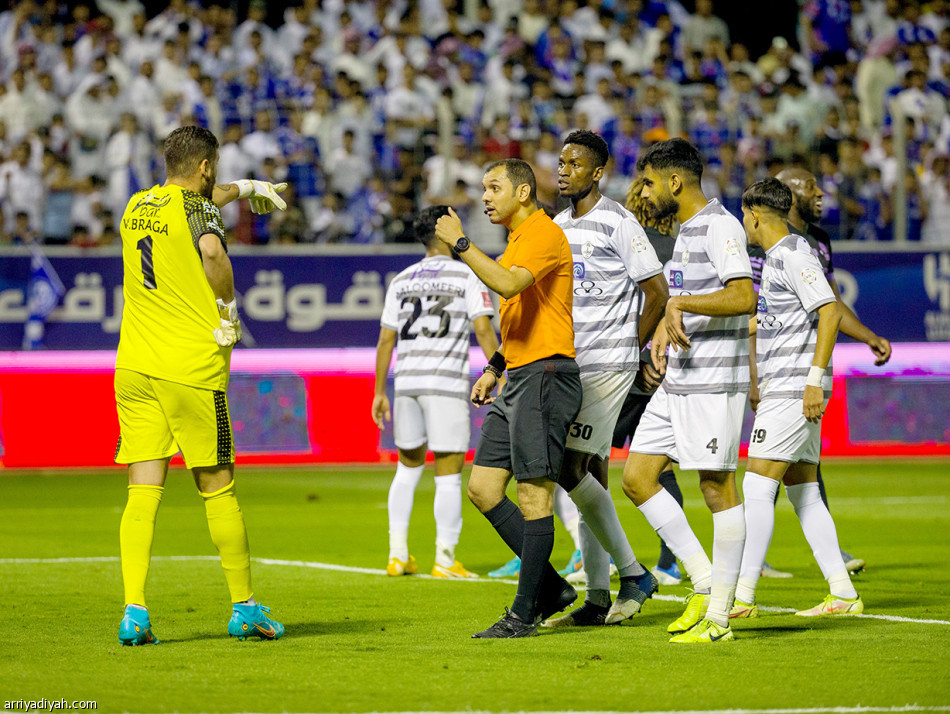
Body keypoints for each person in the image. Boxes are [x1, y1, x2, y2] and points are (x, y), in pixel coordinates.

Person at [114, 125, 288, 646]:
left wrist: (251, 187)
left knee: (142, 492)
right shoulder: (198, 213)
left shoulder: (135, 205)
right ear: (207, 165)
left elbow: (200, 200)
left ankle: (134, 612)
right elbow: (212, 250)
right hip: (189, 367)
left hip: (134, 368)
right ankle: (245, 608)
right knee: (218, 486)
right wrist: (228, 310)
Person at [434, 158, 582, 638]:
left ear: (522, 192)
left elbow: (508, 284)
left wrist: (460, 243)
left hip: (546, 376)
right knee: (482, 489)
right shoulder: (518, 241)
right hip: (518, 374)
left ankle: (522, 614)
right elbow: (522, 315)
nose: (485, 196)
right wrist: (495, 367)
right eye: (483, 187)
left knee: (534, 495)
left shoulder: (541, 232)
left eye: (494, 187)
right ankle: (554, 588)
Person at [620, 138, 756, 644]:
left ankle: (720, 616)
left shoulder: (721, 226)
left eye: (651, 183)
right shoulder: (687, 232)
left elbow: (744, 295)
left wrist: (681, 304)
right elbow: (685, 303)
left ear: (676, 182)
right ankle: (702, 582)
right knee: (637, 477)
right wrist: (663, 330)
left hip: (713, 384)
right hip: (678, 380)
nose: (646, 192)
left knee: (717, 489)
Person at [541, 131, 669, 628]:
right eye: (560, 161)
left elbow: (655, 292)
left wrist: (630, 349)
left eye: (574, 163)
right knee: (586, 475)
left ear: (597, 173)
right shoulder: (557, 225)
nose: (563, 169)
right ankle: (597, 596)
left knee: (571, 468)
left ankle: (634, 574)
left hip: (609, 364)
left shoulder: (619, 221)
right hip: (573, 363)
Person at [731, 178, 863, 619]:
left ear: (753, 214)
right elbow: (775, 323)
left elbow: (828, 311)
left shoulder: (792, 253)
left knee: (756, 483)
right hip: (785, 384)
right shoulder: (775, 259)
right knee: (803, 490)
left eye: (743, 216)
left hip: (793, 387)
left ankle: (744, 596)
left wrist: (812, 380)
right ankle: (842, 592)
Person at [758, 167, 893, 574]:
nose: (820, 193)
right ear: (786, 193)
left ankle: (743, 579)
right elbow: (757, 311)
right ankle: (822, 574)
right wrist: (751, 377)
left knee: (776, 477)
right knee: (785, 478)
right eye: (810, 187)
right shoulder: (762, 244)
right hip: (767, 370)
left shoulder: (814, 243)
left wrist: (866, 335)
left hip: (798, 374)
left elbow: (829, 304)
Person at [372, 205, 501, 579]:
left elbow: (385, 338)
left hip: (408, 381)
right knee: (448, 474)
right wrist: (498, 372)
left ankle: (398, 555)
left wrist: (379, 390)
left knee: (406, 468)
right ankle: (445, 559)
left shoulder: (402, 279)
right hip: (445, 382)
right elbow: (482, 328)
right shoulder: (467, 274)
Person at [610, 175, 684, 587]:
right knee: (661, 464)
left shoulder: (629, 242)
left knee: (583, 458)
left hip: (629, 363)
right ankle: (670, 560)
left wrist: (635, 353)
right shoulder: (678, 246)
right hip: (667, 364)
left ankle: (592, 554)